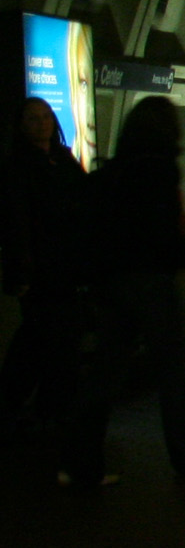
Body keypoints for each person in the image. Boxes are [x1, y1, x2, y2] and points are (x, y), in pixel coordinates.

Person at [56, 97, 185, 487]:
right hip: (152, 284)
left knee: (105, 373)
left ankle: (79, 464)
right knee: (172, 372)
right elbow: (164, 233)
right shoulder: (159, 171)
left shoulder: (111, 173)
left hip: (111, 285)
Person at [2, 100, 94, 430]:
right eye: (33, 119)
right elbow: (17, 222)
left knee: (48, 338)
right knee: (48, 338)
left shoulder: (61, 160)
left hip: (61, 267)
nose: (41, 124)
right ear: (22, 125)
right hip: (43, 268)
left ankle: (44, 406)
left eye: (44, 117)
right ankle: (47, 407)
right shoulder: (21, 167)